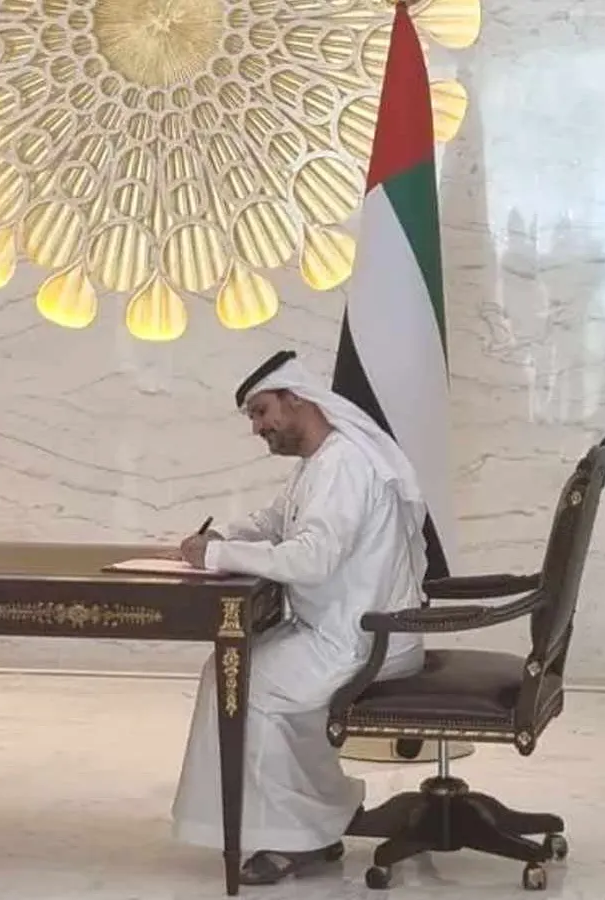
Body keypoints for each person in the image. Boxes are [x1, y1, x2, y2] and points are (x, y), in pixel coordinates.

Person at [169, 350, 428, 885]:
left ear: (296, 400)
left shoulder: (344, 466)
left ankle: (295, 839)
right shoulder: (319, 462)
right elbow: (275, 521)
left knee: (241, 684)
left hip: (362, 640)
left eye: (262, 412)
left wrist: (216, 557)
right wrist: (221, 536)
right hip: (337, 631)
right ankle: (318, 818)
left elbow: (311, 560)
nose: (258, 428)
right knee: (233, 671)